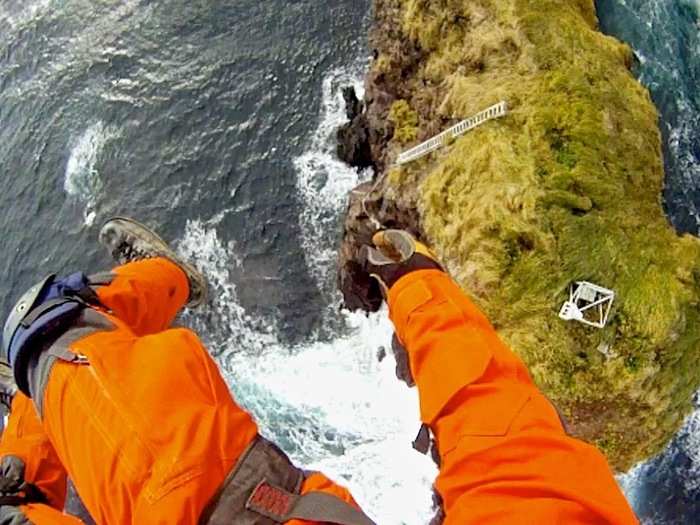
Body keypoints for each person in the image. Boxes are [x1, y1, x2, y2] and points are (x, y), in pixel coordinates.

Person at [0, 218, 639, 524]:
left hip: (206, 503)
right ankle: (22, 463)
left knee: (44, 325)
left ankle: (172, 280)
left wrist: (414, 281)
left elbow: (518, 457)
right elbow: (524, 470)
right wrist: (417, 287)